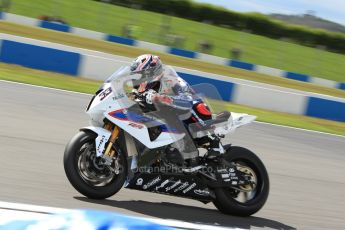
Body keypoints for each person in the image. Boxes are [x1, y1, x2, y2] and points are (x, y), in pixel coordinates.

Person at [129, 54, 216, 167]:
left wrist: (163, 98)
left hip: (190, 111)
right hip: (167, 116)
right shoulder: (143, 87)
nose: (137, 79)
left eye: (140, 75)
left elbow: (187, 100)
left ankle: (212, 142)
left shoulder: (169, 79)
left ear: (151, 72)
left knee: (195, 107)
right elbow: (135, 97)